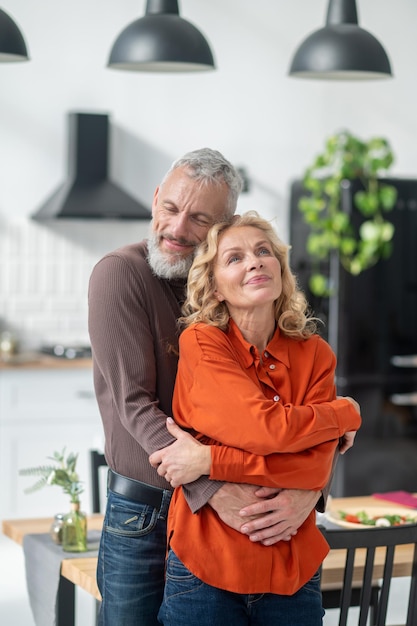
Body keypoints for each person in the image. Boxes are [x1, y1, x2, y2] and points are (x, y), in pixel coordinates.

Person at [88, 149, 343, 626]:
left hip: (240, 514)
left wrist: (311, 488)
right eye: (171, 208)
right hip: (147, 508)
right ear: (155, 199)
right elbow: (135, 405)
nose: (178, 229)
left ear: (224, 227)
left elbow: (280, 422)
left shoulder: (239, 288)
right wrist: (210, 485)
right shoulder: (120, 273)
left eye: (200, 219)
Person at [151, 211, 361, 626]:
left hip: (293, 568)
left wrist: (211, 461)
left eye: (264, 252)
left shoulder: (315, 353)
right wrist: (346, 412)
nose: (255, 261)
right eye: (235, 258)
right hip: (207, 565)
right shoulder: (203, 343)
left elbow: (315, 463)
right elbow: (267, 430)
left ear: (281, 269)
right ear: (214, 287)